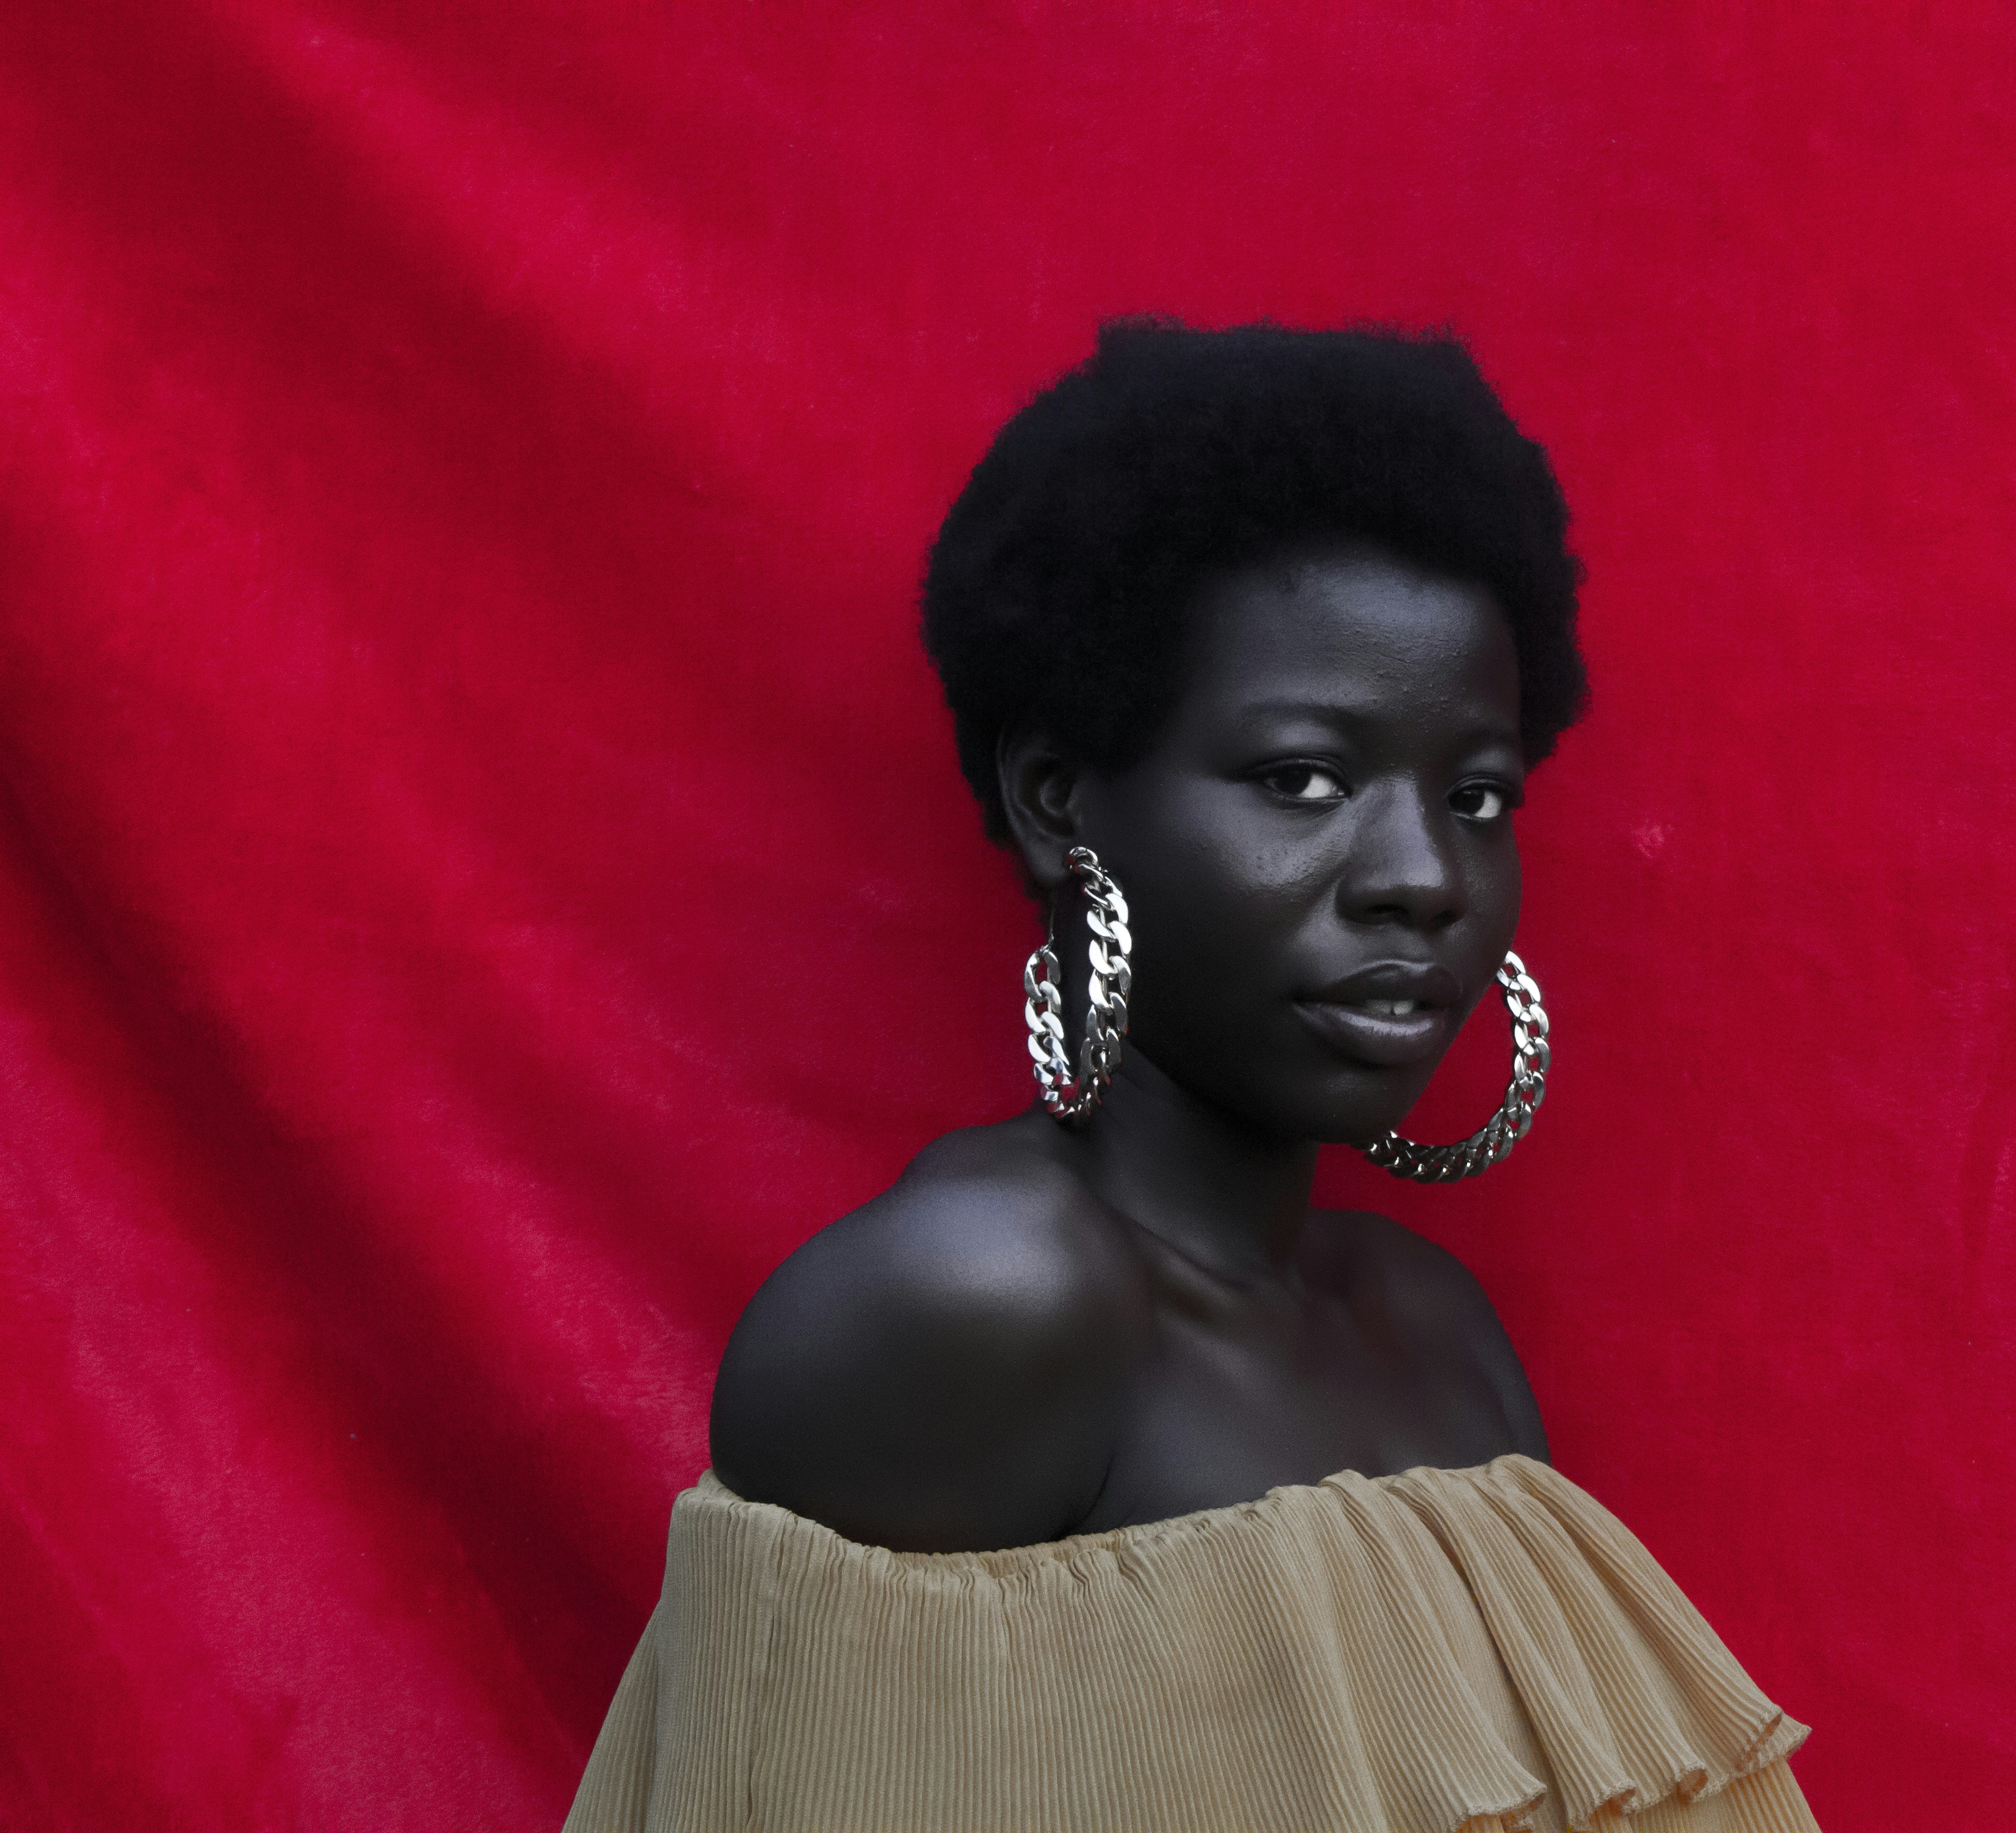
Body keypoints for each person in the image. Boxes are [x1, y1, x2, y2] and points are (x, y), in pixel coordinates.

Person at [566, 322, 1815, 1832]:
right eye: (1306, 778)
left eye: (1476, 796)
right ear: (1056, 805)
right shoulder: (974, 1311)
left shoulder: (1438, 1338)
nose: (1425, 879)